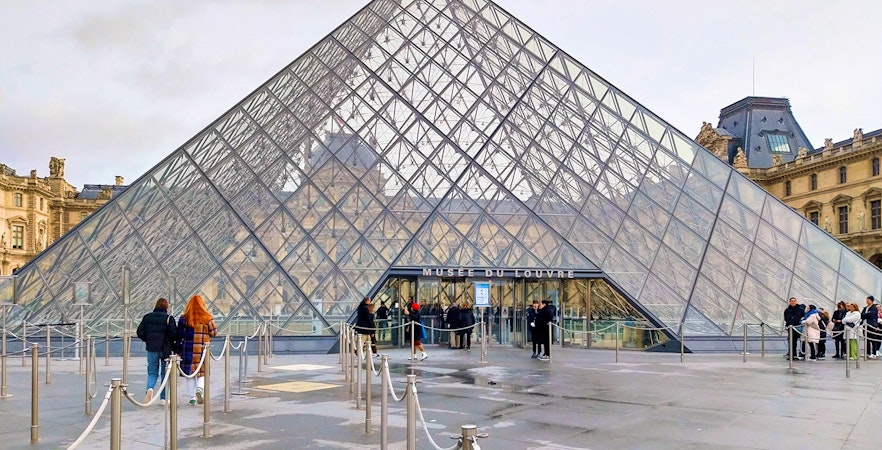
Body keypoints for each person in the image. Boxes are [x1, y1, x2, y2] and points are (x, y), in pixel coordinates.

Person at [177, 294, 218, 406]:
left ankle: (192, 398)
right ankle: (199, 389)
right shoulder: (207, 318)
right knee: (202, 372)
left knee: (189, 374)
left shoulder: (183, 319)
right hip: (201, 349)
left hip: (187, 349)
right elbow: (214, 332)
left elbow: (179, 334)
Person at [136, 297, 177, 404]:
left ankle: (150, 389)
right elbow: (174, 334)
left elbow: (140, 332)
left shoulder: (147, 317)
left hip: (151, 348)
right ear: (166, 306)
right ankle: (163, 398)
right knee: (165, 373)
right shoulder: (169, 318)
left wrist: (148, 340)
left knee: (152, 372)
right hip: (165, 350)